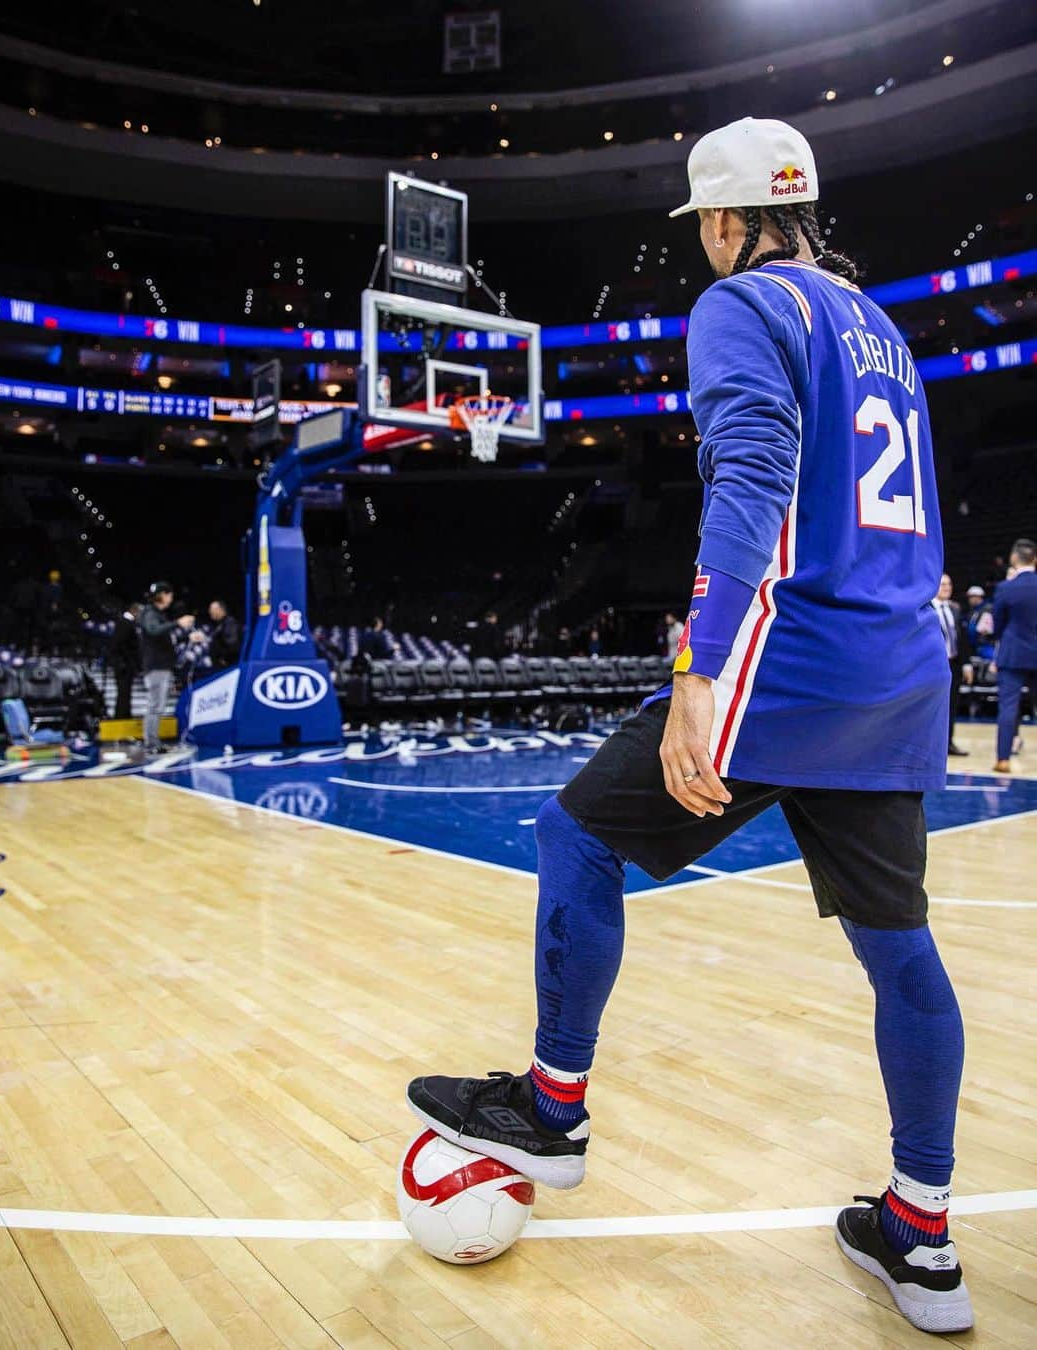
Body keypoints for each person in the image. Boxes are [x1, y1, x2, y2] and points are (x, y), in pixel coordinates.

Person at [407, 118, 971, 1335]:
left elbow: (753, 471)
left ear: (723, 222)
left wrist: (701, 672)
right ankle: (920, 1235)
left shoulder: (741, 307)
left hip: (785, 667)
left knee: (575, 837)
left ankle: (553, 1112)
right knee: (900, 951)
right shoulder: (882, 334)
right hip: (894, 673)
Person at [991, 538, 1037, 773]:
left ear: (1013, 559)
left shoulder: (1006, 588)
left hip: (1013, 653)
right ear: (1035, 559)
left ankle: (1003, 759)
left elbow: (997, 626)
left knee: (1008, 707)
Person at [137, 582, 194, 754]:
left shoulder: (156, 613)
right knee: (155, 706)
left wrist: (189, 637)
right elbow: (153, 630)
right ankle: (151, 744)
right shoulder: (150, 613)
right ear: (162, 595)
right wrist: (178, 623)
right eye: (169, 594)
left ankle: (153, 742)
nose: (171, 598)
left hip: (160, 666)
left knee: (157, 706)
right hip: (156, 667)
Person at [932, 574, 973, 756]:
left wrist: (966, 665)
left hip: (953, 664)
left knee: (952, 705)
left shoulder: (955, 609)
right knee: (932, 707)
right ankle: (931, 746)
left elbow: (962, 640)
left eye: (949, 584)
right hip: (933, 666)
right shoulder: (925, 609)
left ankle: (948, 743)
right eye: (943, 584)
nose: (947, 587)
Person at [108, 602, 143, 720]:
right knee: (123, 691)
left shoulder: (126, 622)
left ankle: (124, 715)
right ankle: (122, 716)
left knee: (125, 692)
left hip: (124, 663)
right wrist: (127, 661)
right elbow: (120, 645)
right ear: (135, 611)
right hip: (123, 665)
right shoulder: (125, 623)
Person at [207, 599, 241, 669]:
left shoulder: (229, 622)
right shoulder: (219, 624)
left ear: (220, 609)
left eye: (212, 609)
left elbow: (233, 644)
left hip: (228, 667)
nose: (210, 612)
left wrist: (224, 658)